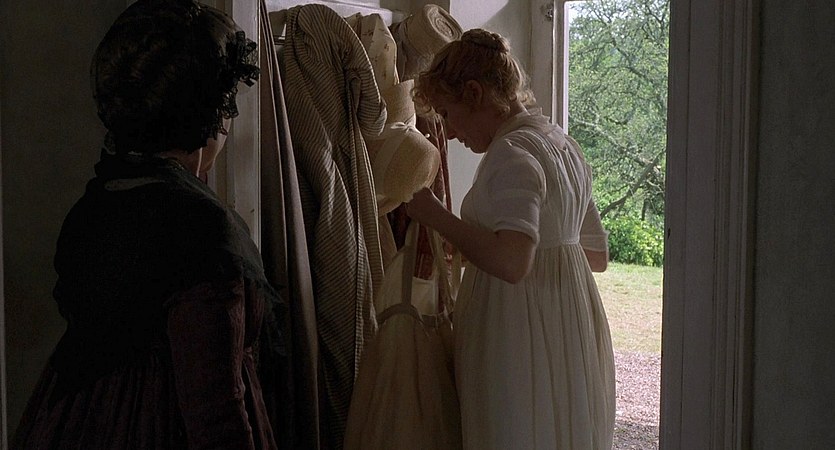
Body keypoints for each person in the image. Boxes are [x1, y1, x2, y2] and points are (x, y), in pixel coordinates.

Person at [11, 0, 280, 448]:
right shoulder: (202, 227)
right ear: (209, 115)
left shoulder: (100, 199)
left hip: (75, 424)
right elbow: (215, 412)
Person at [406, 29, 616, 449]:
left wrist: (437, 216)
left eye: (447, 114)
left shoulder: (510, 153)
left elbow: (512, 263)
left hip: (516, 333)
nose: (449, 133)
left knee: (517, 427)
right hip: (570, 327)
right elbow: (595, 255)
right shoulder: (563, 144)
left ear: (475, 93)